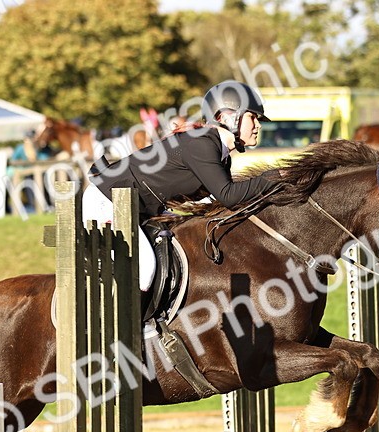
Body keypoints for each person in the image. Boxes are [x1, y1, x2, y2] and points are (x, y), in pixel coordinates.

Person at [86, 81, 278, 293]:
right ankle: (135, 325)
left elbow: (214, 201)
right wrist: (273, 177)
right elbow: (228, 195)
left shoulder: (219, 154)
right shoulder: (202, 144)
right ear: (227, 117)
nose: (258, 125)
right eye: (253, 117)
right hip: (107, 201)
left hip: (136, 206)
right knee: (146, 269)